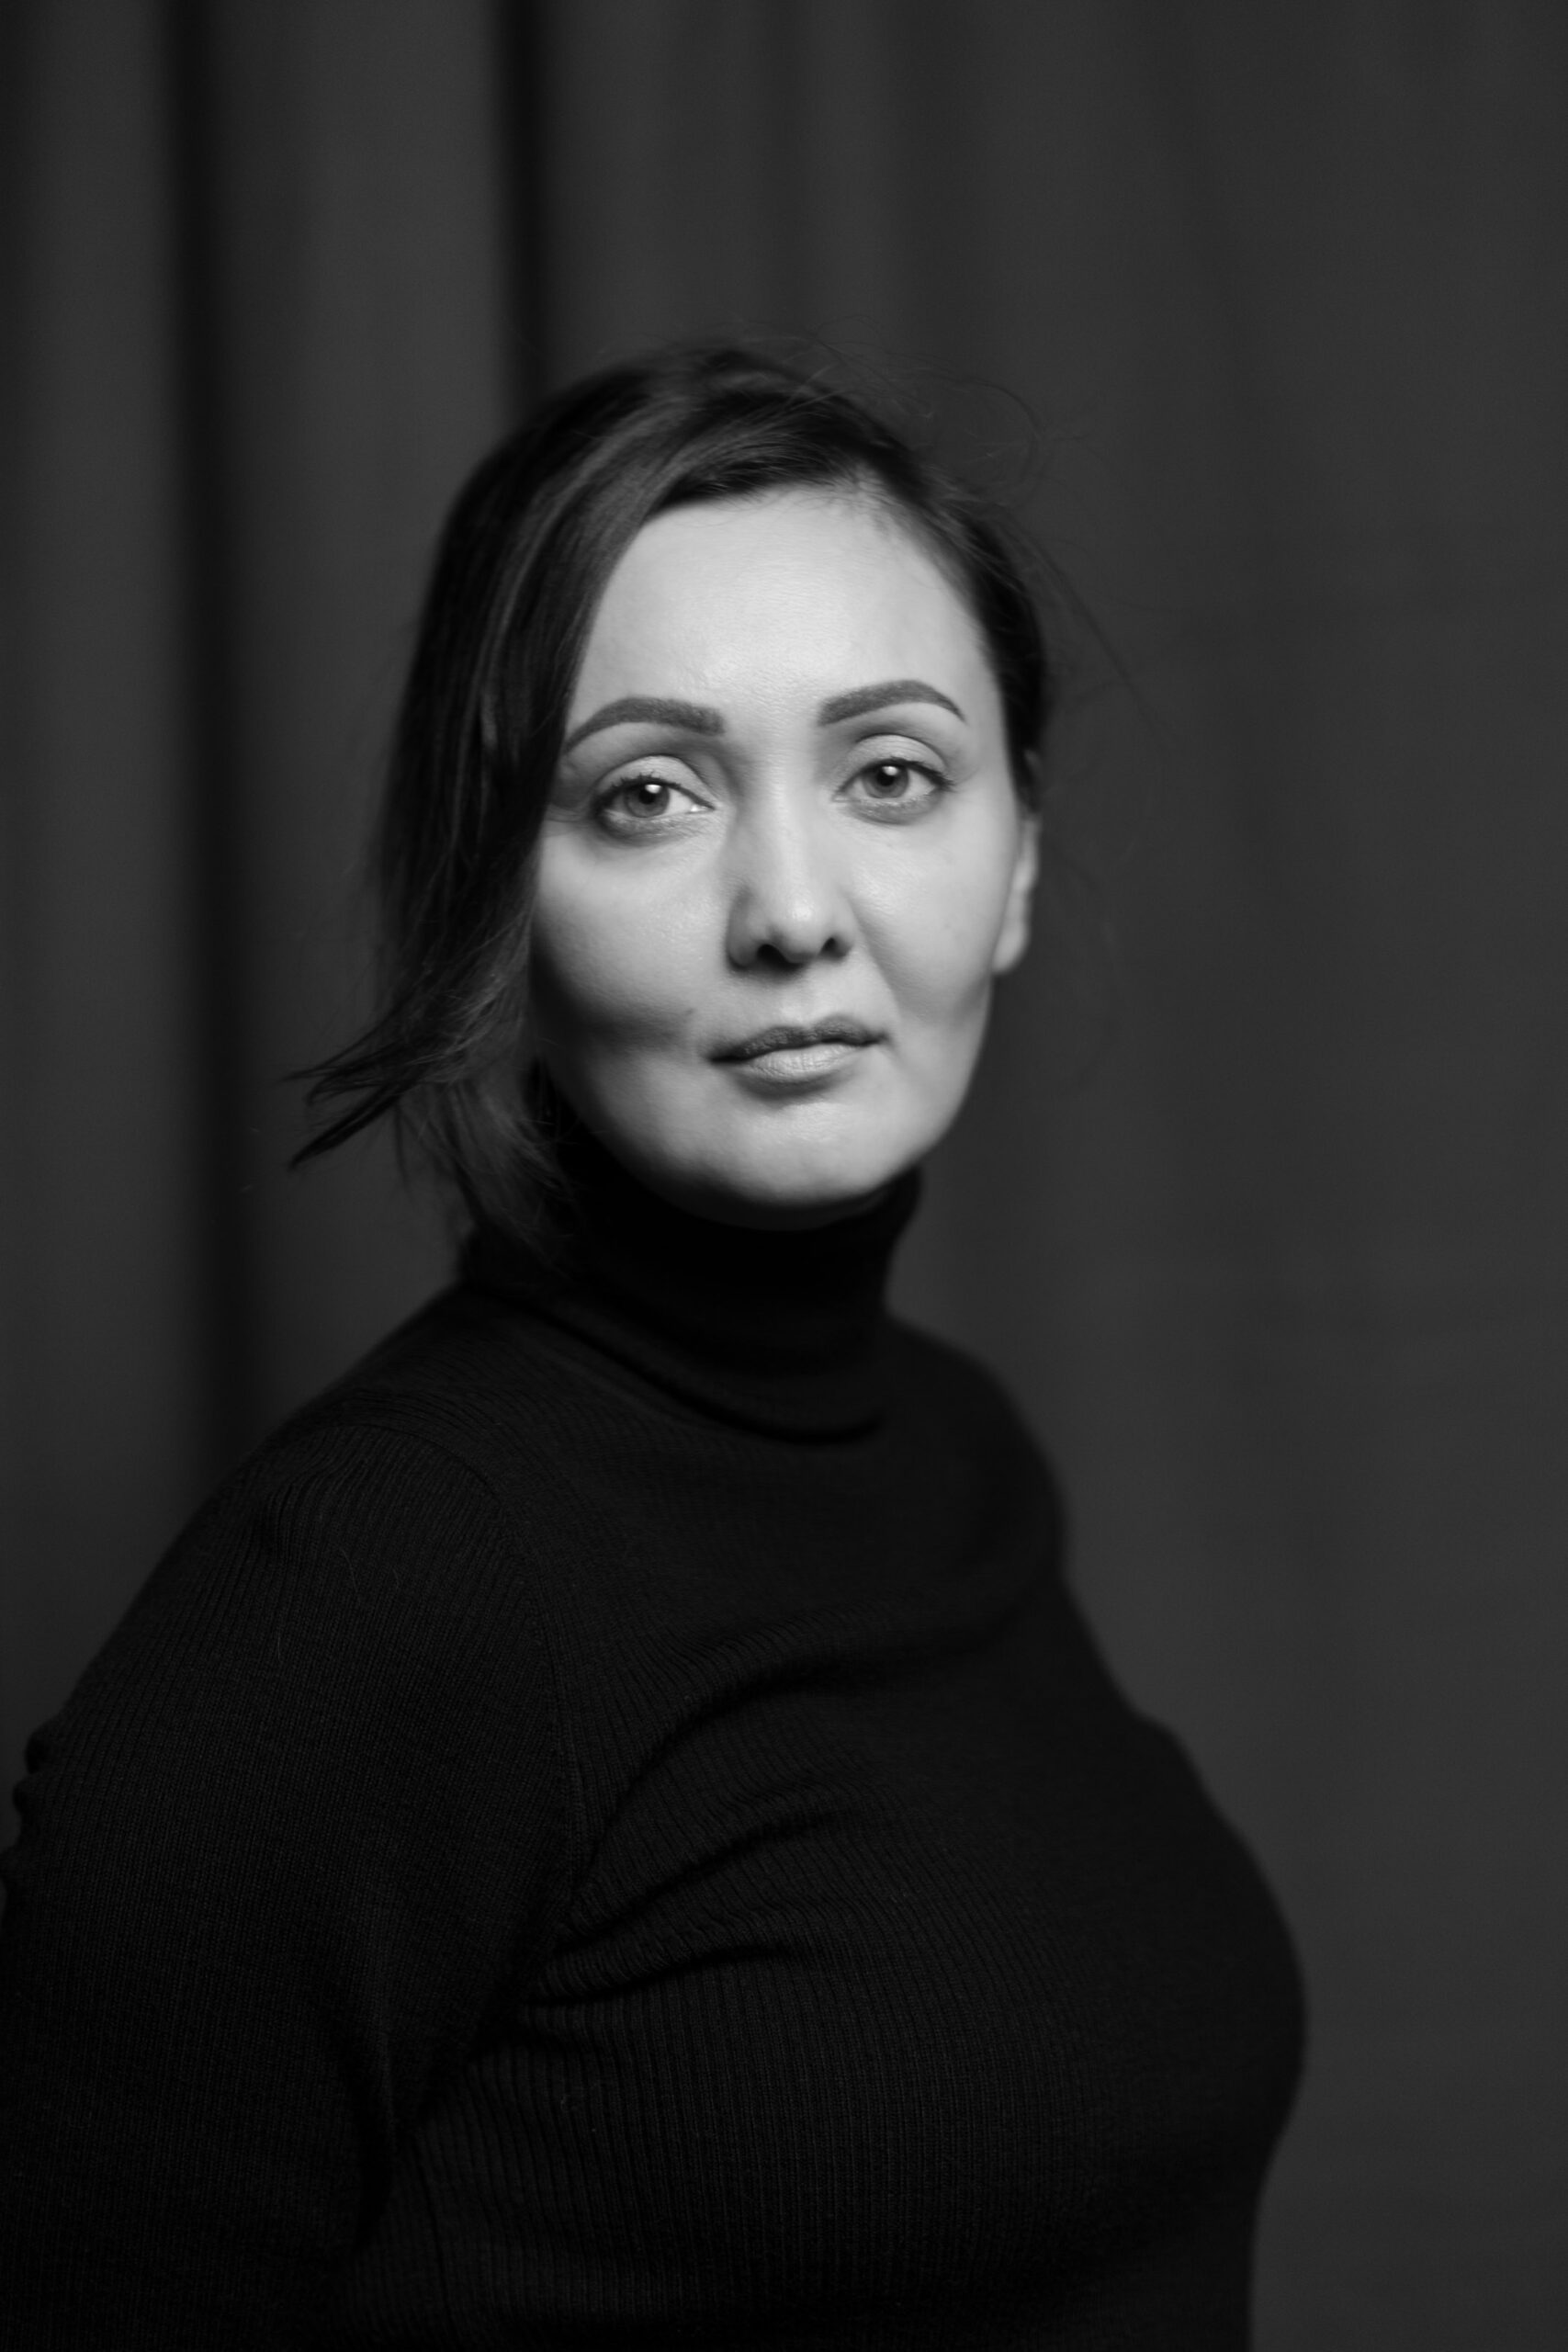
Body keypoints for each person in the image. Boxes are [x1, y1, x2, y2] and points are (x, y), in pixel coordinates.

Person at [0, 344, 1304, 2346]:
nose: (791, 910)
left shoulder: (954, 1456)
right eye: (647, 795)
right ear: (493, 899)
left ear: (1019, 860)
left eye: (890, 774)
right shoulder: (378, 1577)